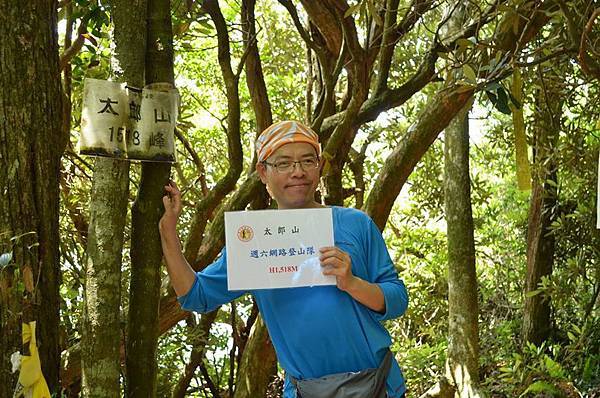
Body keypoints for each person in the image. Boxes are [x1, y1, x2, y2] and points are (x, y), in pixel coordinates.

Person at [159, 120, 409, 397]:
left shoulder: (355, 224)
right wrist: (168, 231)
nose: (298, 172)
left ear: (319, 167)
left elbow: (397, 299)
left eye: (307, 161)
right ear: (263, 172)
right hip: (306, 391)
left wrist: (352, 283)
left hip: (379, 385)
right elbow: (196, 296)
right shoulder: (253, 241)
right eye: (284, 163)